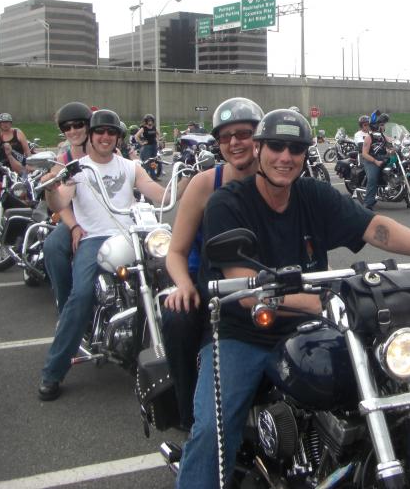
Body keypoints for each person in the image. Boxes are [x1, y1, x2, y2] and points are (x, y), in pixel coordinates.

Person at [176, 108, 410, 488]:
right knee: (214, 429)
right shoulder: (227, 203)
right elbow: (246, 288)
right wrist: (325, 302)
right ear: (260, 149)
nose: (285, 157)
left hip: (315, 324)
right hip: (242, 332)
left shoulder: (312, 194)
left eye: (295, 148)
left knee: (402, 393)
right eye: (276, 146)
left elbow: (372, 226)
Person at [38, 109, 189, 401]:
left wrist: (189, 180)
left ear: (117, 137)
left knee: (172, 277)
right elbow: (60, 202)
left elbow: (162, 196)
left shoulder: (130, 167)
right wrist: (51, 189)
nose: (105, 137)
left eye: (111, 132)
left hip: (132, 233)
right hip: (95, 239)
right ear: (91, 136)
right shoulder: (77, 169)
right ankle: (52, 372)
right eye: (100, 132)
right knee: (80, 296)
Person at [162, 97, 264, 430]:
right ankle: (189, 414)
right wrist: (184, 285)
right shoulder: (206, 183)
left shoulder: (277, 176)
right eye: (225, 136)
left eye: (243, 133)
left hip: (262, 281)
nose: (234, 142)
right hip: (206, 280)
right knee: (178, 318)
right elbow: (175, 251)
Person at [41, 102, 93, 314]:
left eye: (78, 125)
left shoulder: (106, 147)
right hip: (76, 217)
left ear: (89, 125)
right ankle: (66, 309)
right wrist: (73, 227)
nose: (73, 131)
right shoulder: (63, 160)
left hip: (110, 216)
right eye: (66, 127)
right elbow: (61, 203)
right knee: (53, 247)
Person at [361, 110, 390, 211]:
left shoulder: (383, 137)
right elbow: (364, 154)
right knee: (372, 178)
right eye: (382, 124)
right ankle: (368, 203)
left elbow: (392, 143)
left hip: (382, 158)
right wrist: (375, 161)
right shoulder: (369, 137)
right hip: (371, 160)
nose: (384, 126)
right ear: (376, 125)